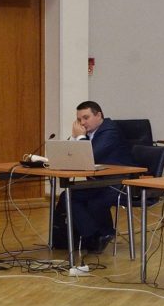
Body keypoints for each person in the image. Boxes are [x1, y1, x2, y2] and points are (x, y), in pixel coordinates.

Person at [52, 100, 135, 253]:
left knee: (93, 201)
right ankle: (93, 236)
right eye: (79, 119)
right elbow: (72, 156)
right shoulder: (90, 133)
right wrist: (74, 138)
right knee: (68, 196)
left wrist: (80, 137)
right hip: (99, 182)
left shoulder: (110, 131)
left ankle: (101, 234)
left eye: (86, 118)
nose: (82, 123)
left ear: (99, 115)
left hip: (119, 183)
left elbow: (90, 156)